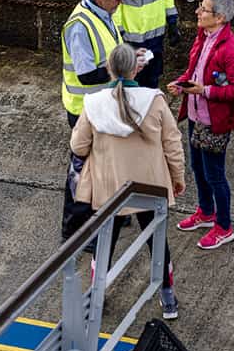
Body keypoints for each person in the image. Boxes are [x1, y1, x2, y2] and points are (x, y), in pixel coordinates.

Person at [71, 43, 185, 319]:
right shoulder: (154, 101)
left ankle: (95, 297)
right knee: (156, 240)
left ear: (109, 68)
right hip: (149, 185)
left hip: (108, 187)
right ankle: (167, 295)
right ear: (137, 68)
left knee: (104, 243)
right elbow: (172, 145)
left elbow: (78, 144)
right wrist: (177, 179)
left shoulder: (94, 103)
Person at [60, 0, 147, 243]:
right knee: (82, 173)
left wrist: (130, 58)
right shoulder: (80, 26)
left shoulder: (103, 14)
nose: (120, 3)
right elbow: (87, 75)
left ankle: (107, 217)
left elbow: (110, 51)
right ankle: (74, 234)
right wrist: (124, 69)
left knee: (101, 168)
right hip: (85, 110)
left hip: (103, 105)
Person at [166, 0, 234, 250]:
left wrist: (205, 91)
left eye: (203, 9)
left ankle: (224, 227)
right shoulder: (204, 36)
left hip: (215, 121)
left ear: (220, 17)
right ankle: (205, 212)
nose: (197, 12)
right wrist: (183, 83)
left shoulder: (232, 50)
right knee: (198, 169)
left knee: (215, 175)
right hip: (196, 115)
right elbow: (196, 71)